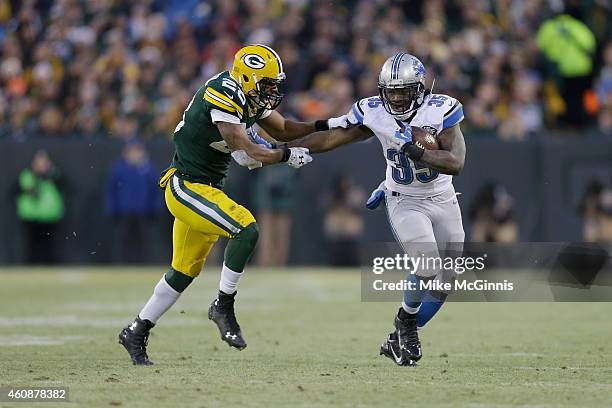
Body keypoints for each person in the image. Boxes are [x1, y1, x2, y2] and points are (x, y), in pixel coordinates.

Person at [118, 44, 332, 365]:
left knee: (183, 271)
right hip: (187, 185)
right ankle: (223, 304)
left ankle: (136, 330)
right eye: (267, 84)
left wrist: (329, 124)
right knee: (246, 228)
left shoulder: (247, 96)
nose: (272, 91)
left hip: (207, 187)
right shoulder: (225, 91)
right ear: (246, 78)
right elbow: (243, 147)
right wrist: (284, 155)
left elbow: (285, 128)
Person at [287, 53, 466, 366]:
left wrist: (413, 149)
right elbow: (333, 138)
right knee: (426, 264)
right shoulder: (374, 112)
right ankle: (406, 327)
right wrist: (287, 149)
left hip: (443, 197)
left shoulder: (441, 109)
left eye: (403, 91)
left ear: (421, 88)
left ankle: (399, 336)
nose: (396, 99)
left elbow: (456, 163)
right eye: (391, 92)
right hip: (405, 199)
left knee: (447, 277)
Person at [105, 140, 161, 263]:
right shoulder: (119, 168)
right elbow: (111, 191)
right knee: (125, 238)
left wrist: (155, 208)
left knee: (142, 239)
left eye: (137, 151)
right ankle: (125, 262)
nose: (134, 154)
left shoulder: (148, 169)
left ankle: (141, 262)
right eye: (131, 151)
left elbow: (155, 189)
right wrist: (112, 209)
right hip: (124, 211)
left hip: (143, 211)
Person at [16, 149, 64, 264]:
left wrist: (49, 174)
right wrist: (38, 176)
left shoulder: (54, 175)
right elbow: (32, 192)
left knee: (49, 245)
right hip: (32, 216)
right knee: (33, 245)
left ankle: (50, 268)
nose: (42, 166)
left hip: (50, 216)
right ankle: (31, 267)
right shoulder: (28, 175)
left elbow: (63, 184)